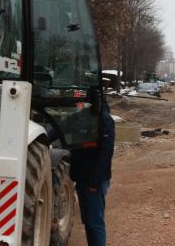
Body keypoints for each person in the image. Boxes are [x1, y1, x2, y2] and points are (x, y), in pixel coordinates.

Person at [70, 99, 115, 246]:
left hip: (93, 181)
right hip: (82, 178)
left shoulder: (104, 119)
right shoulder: (82, 115)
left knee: (95, 223)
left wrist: (95, 181)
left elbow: (106, 154)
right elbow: (62, 127)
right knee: (88, 221)